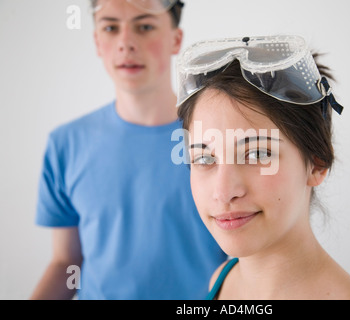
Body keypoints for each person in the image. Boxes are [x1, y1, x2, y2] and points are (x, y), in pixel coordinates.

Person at [31, 0, 227, 300]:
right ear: (97, 41)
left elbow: (247, 261)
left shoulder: (220, 141)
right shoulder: (65, 144)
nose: (126, 43)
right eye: (111, 27)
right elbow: (66, 262)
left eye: (145, 26)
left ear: (176, 39)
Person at [176, 35, 350, 300]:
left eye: (256, 154)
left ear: (317, 163)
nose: (223, 192)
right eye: (205, 159)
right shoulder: (222, 279)